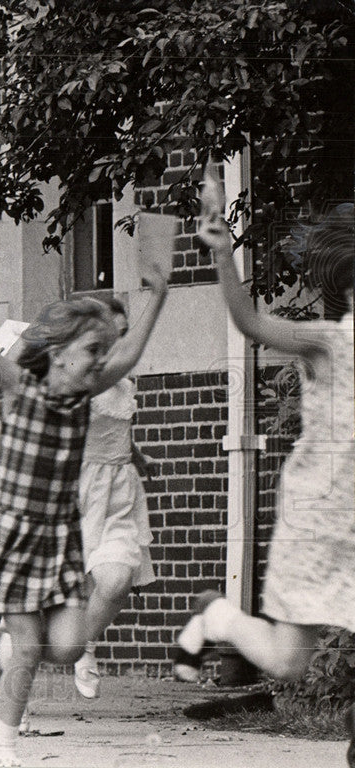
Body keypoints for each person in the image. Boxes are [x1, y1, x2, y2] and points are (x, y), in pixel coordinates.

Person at [0, 242, 167, 766]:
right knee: (31, 642)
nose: (102, 362)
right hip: (14, 533)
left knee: (64, 646)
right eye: (93, 351)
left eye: (104, 353)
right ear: (60, 349)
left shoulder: (85, 394)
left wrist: (157, 294)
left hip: (59, 536)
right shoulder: (19, 386)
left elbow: (130, 354)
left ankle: (11, 656)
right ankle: (4, 747)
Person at [174, 203, 353, 766]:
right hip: (319, 516)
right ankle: (218, 616)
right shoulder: (328, 341)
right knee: (288, 661)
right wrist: (224, 254)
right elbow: (252, 325)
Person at [72, 296, 157, 699]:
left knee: (117, 577)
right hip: (74, 489)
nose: (116, 346)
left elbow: (118, 430)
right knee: (56, 590)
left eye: (122, 336)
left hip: (119, 490)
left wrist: (139, 459)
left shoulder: (125, 383)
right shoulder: (72, 379)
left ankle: (85, 648)